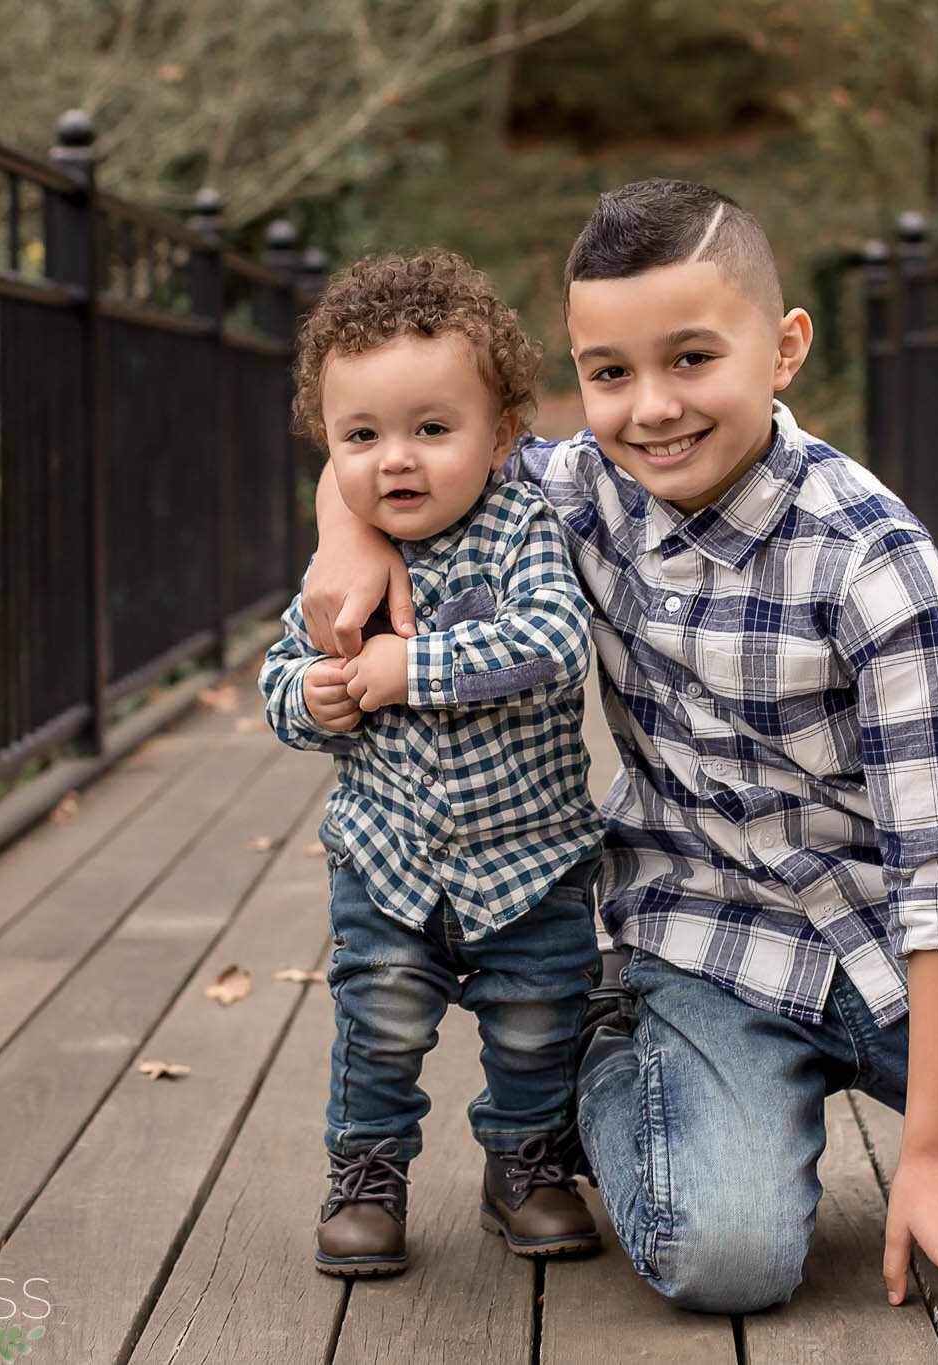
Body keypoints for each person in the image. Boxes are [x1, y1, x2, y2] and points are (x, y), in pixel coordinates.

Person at [298, 181, 938, 1321]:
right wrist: (339, 526)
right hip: (706, 942)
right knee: (726, 1264)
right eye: (608, 373)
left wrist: (933, 1157)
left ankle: (905, 1104)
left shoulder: (871, 561)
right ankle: (605, 1054)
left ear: (784, 348)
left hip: (897, 947)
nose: (649, 409)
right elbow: (400, 447)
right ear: (570, 382)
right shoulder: (579, 490)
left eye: (691, 360)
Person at [259, 249, 605, 1279]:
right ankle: (368, 1174)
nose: (395, 461)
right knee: (378, 1026)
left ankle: (526, 1163)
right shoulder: (345, 560)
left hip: (528, 864)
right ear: (329, 445)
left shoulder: (521, 531)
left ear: (500, 435)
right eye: (361, 436)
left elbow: (552, 645)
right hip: (386, 862)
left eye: (431, 429)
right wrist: (313, 697)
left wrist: (413, 667)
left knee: (540, 1026)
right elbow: (282, 675)